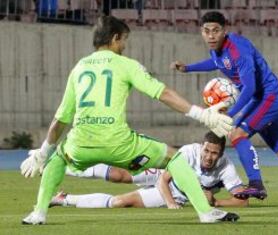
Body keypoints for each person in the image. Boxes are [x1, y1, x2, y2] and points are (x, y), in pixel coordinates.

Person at [20, 16, 237, 225]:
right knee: (175, 158)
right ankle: (206, 213)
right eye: (124, 40)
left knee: (57, 158)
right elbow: (163, 94)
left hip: (80, 145)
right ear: (115, 38)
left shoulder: (79, 68)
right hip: (120, 145)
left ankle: (39, 213)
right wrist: (202, 114)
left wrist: (42, 152)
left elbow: (61, 119)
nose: (125, 45)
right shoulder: (126, 65)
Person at [170, 11, 278, 200]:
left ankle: (256, 184)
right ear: (201, 32)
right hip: (261, 100)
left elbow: (250, 87)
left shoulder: (238, 50)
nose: (211, 35)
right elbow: (216, 62)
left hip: (268, 97)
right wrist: (188, 68)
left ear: (225, 30)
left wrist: (231, 113)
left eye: (216, 30)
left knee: (237, 134)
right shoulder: (216, 50)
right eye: (207, 31)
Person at [50, 131, 249, 209]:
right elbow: (163, 179)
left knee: (120, 202)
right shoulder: (189, 153)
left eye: (214, 153)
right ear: (201, 146)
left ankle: (65, 199)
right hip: (165, 178)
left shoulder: (226, 167)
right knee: (121, 175)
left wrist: (216, 201)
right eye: (206, 150)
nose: (208, 156)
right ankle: (58, 167)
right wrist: (171, 204)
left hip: (178, 194)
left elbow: (243, 201)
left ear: (221, 154)